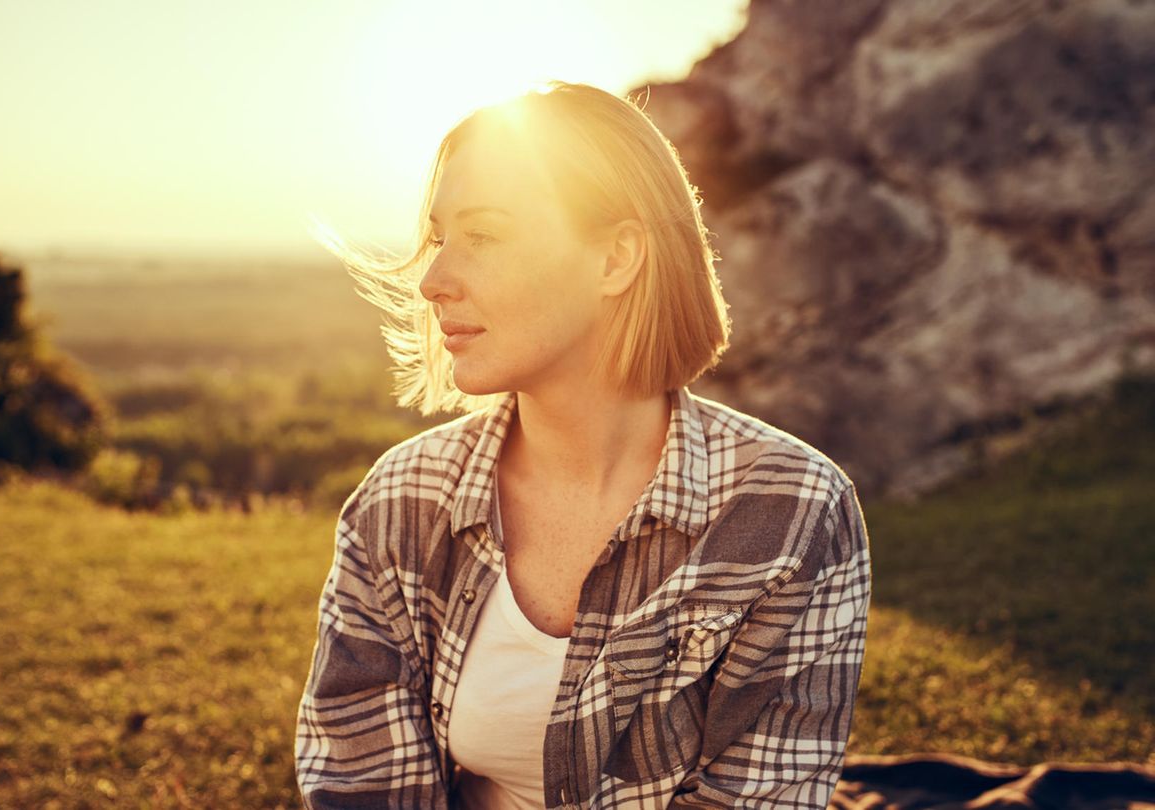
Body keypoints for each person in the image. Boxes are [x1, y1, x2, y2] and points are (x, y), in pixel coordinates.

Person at [294, 80, 872, 809]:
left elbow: (757, 797)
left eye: (485, 234)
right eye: (441, 238)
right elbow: (360, 777)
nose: (434, 280)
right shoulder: (400, 500)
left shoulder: (791, 511)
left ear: (616, 259)